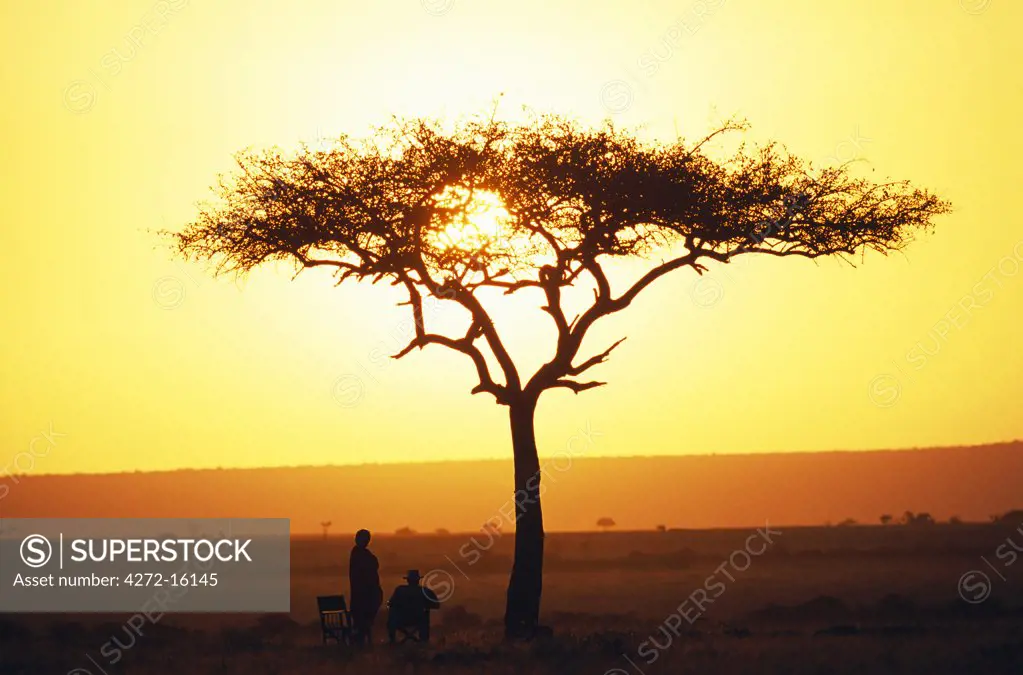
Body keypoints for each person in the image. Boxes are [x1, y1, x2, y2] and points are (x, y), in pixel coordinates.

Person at [348, 529, 382, 645]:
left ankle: (359, 640)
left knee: (363, 620)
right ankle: (359, 640)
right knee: (363, 620)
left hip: (363, 594)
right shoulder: (360, 554)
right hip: (363, 594)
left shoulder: (359, 553)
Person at [387, 569, 440, 643]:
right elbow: (436, 605)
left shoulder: (399, 590)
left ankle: (392, 640)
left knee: (391, 612)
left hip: (400, 620)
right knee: (426, 614)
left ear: (408, 580)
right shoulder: (425, 591)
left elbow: (390, 603)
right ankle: (423, 640)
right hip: (419, 620)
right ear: (418, 580)